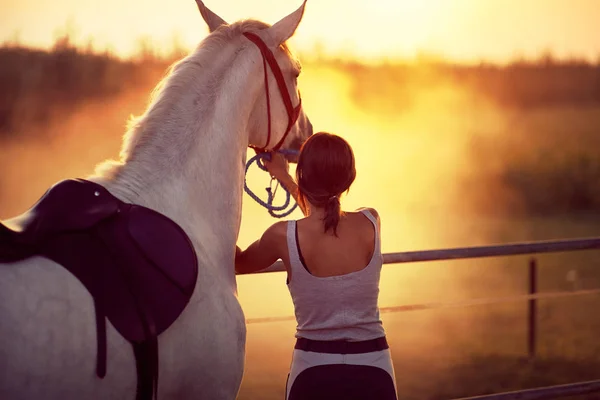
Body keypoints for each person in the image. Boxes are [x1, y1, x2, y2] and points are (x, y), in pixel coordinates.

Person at [235, 132, 397, 400]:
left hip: (313, 370)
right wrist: (285, 178)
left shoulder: (281, 236)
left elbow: (239, 263)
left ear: (303, 176)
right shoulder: (371, 222)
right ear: (350, 177)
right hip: (374, 367)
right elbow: (327, 218)